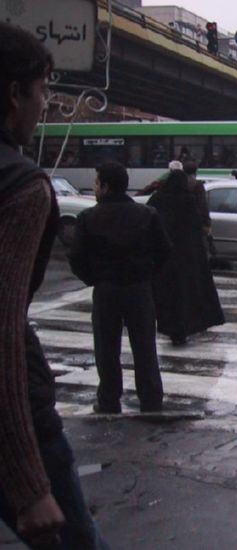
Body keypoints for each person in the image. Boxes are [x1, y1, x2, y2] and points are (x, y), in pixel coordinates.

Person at [0, 22, 107, 548]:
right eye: (43, 91)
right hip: (22, 429)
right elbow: (2, 338)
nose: (45, 107)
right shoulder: (23, 187)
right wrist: (28, 483)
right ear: (15, 93)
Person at [68, 161, 171, 414]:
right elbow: (165, 250)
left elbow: (76, 257)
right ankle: (150, 399)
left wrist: (93, 278)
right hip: (139, 287)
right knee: (145, 346)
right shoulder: (146, 214)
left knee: (106, 347)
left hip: (106, 290)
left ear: (105, 186)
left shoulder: (88, 218)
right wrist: (148, 274)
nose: (94, 188)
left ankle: (109, 400)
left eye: (96, 183)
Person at [147, 169, 225, 345]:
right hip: (187, 257)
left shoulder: (158, 198)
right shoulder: (187, 200)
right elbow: (196, 224)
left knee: (167, 295)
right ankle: (186, 327)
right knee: (187, 294)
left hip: (165, 256)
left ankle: (169, 327)